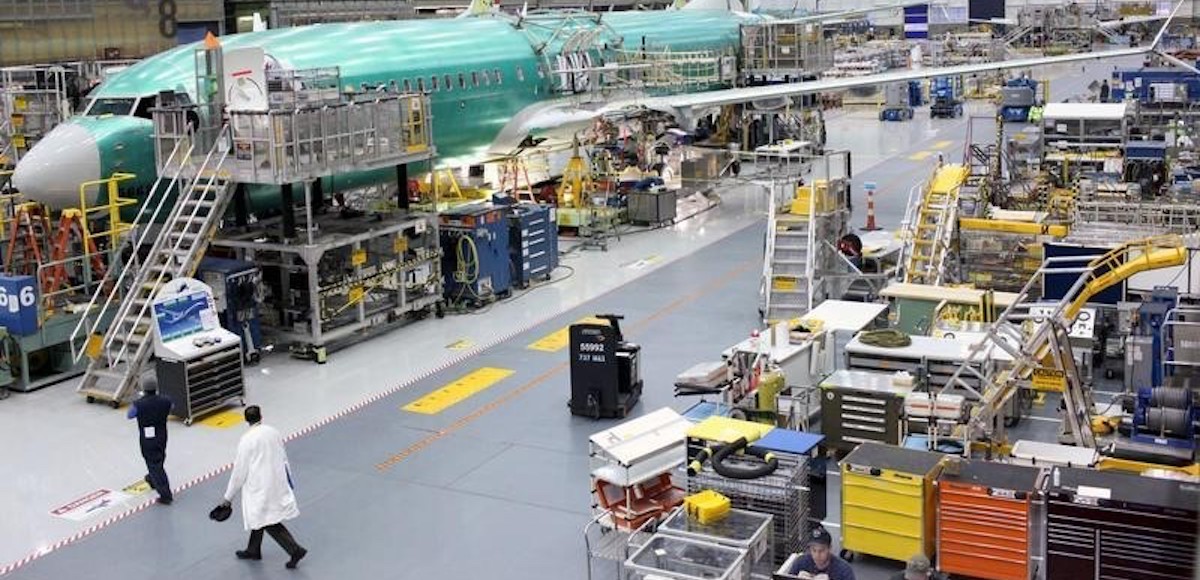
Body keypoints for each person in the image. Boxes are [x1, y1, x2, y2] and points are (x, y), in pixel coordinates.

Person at [218, 406, 308, 569]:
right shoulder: (273, 432)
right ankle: (253, 549)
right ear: (261, 416)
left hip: (259, 487)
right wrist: (288, 481)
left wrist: (227, 498)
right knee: (259, 517)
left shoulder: (246, 440)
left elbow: (239, 472)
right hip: (275, 481)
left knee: (266, 520)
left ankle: (295, 549)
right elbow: (283, 456)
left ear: (246, 420)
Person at [127, 376, 173, 505]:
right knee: (158, 458)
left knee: (153, 463)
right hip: (162, 435)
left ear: (144, 389)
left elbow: (130, 415)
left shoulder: (139, 404)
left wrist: (136, 402)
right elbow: (171, 407)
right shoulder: (165, 400)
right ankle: (152, 479)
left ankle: (165, 495)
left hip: (148, 438)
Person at [787, 527, 856, 580]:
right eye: (813, 550)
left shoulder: (843, 570)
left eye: (821, 550)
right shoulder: (800, 563)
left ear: (830, 548)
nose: (817, 555)